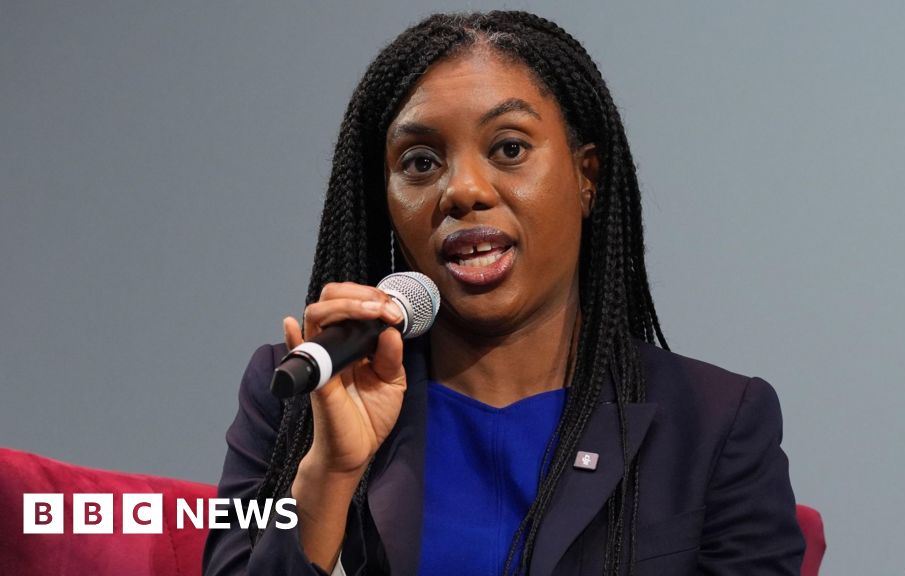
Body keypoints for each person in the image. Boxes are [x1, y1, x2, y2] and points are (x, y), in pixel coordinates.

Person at [203, 10, 805, 576]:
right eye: (420, 162)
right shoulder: (299, 390)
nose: (463, 190)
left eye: (509, 148)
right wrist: (329, 473)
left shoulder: (718, 420)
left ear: (586, 177)